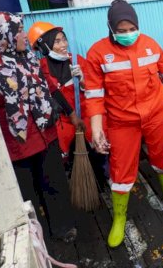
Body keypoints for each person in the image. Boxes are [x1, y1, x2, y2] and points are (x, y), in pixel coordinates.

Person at [84, 0, 163, 248]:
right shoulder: (97, 53)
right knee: (121, 168)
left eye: (132, 28)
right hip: (122, 121)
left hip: (156, 114)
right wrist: (97, 129)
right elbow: (94, 96)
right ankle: (119, 218)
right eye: (122, 30)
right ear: (111, 28)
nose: (128, 34)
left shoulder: (150, 45)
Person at [0, 12, 77, 242]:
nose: (23, 36)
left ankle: (62, 226)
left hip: (45, 133)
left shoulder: (27, 58)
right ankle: (33, 238)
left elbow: (49, 87)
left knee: (54, 183)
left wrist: (70, 112)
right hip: (16, 145)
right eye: (18, 31)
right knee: (25, 195)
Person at [27, 21, 108, 184]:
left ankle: (106, 175)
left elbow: (97, 89)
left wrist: (84, 80)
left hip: (87, 115)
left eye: (64, 39)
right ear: (44, 46)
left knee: (100, 144)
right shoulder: (40, 69)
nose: (64, 44)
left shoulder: (77, 60)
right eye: (57, 41)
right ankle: (79, 179)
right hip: (64, 121)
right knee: (66, 150)